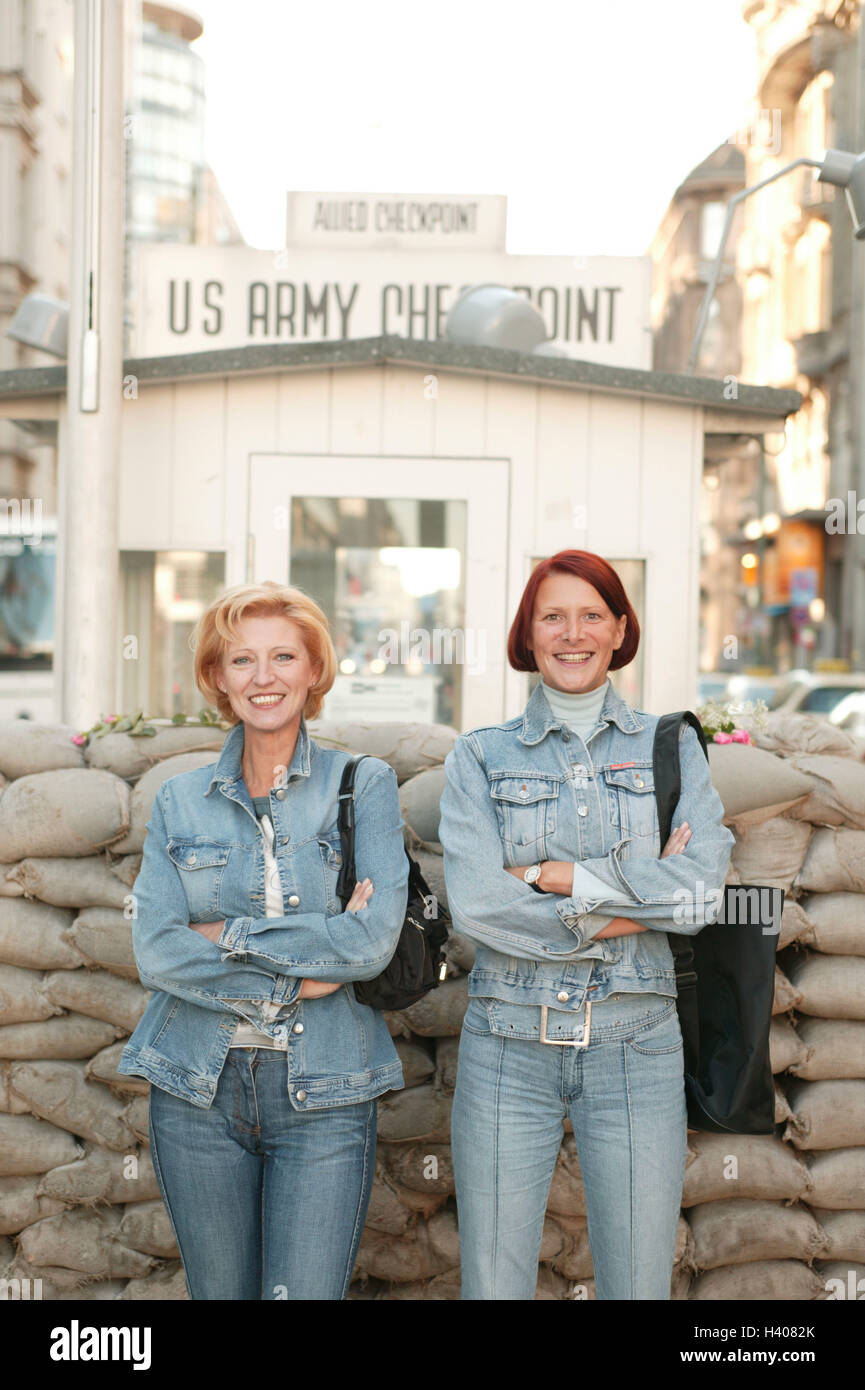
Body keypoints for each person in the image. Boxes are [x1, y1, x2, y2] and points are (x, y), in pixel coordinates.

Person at [438, 550, 735, 1300]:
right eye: (552, 616)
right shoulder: (479, 756)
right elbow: (476, 905)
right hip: (506, 1045)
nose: (572, 634)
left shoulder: (671, 749)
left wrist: (554, 878)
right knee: (493, 1284)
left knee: (637, 1284)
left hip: (636, 1044)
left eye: (591, 615)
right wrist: (634, 909)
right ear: (528, 634)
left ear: (619, 628)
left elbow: (700, 896)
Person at [118, 581, 409, 1300]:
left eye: (284, 657)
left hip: (326, 1093)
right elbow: (156, 949)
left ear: (314, 670)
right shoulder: (178, 800)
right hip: (196, 1090)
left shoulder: (361, 785)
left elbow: (370, 944)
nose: (264, 677)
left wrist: (222, 936)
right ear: (217, 677)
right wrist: (303, 967)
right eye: (242, 661)